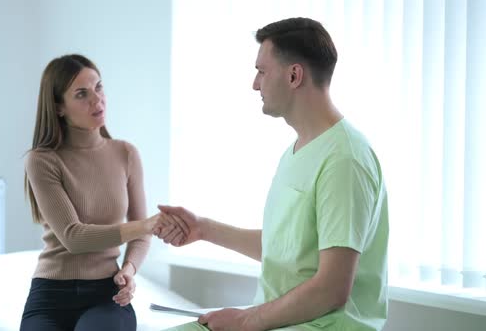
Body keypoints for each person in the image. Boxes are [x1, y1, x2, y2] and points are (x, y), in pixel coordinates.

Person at [154, 17, 389, 331]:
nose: (255, 84)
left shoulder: (344, 159)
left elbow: (332, 289)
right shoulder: (300, 149)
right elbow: (287, 250)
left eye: (261, 71)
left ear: (294, 75)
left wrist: (246, 320)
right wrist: (203, 229)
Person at [20, 54, 159, 331]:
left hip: (105, 295)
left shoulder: (125, 153)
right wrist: (146, 225)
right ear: (59, 107)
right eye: (82, 94)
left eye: (99, 87)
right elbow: (74, 237)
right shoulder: (42, 159)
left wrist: (128, 270)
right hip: (50, 295)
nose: (97, 100)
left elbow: (141, 237)